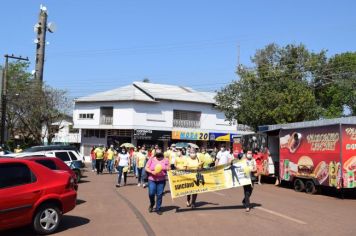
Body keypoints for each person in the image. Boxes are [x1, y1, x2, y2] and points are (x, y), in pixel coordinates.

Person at [145, 149, 170, 215]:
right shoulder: (152, 159)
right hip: (152, 179)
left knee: (159, 195)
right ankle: (152, 203)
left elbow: (169, 168)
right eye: (157, 153)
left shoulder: (165, 159)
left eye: (160, 153)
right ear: (155, 153)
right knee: (151, 193)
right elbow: (146, 168)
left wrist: (166, 168)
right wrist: (151, 172)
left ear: (162, 153)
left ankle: (158, 208)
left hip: (161, 180)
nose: (158, 155)